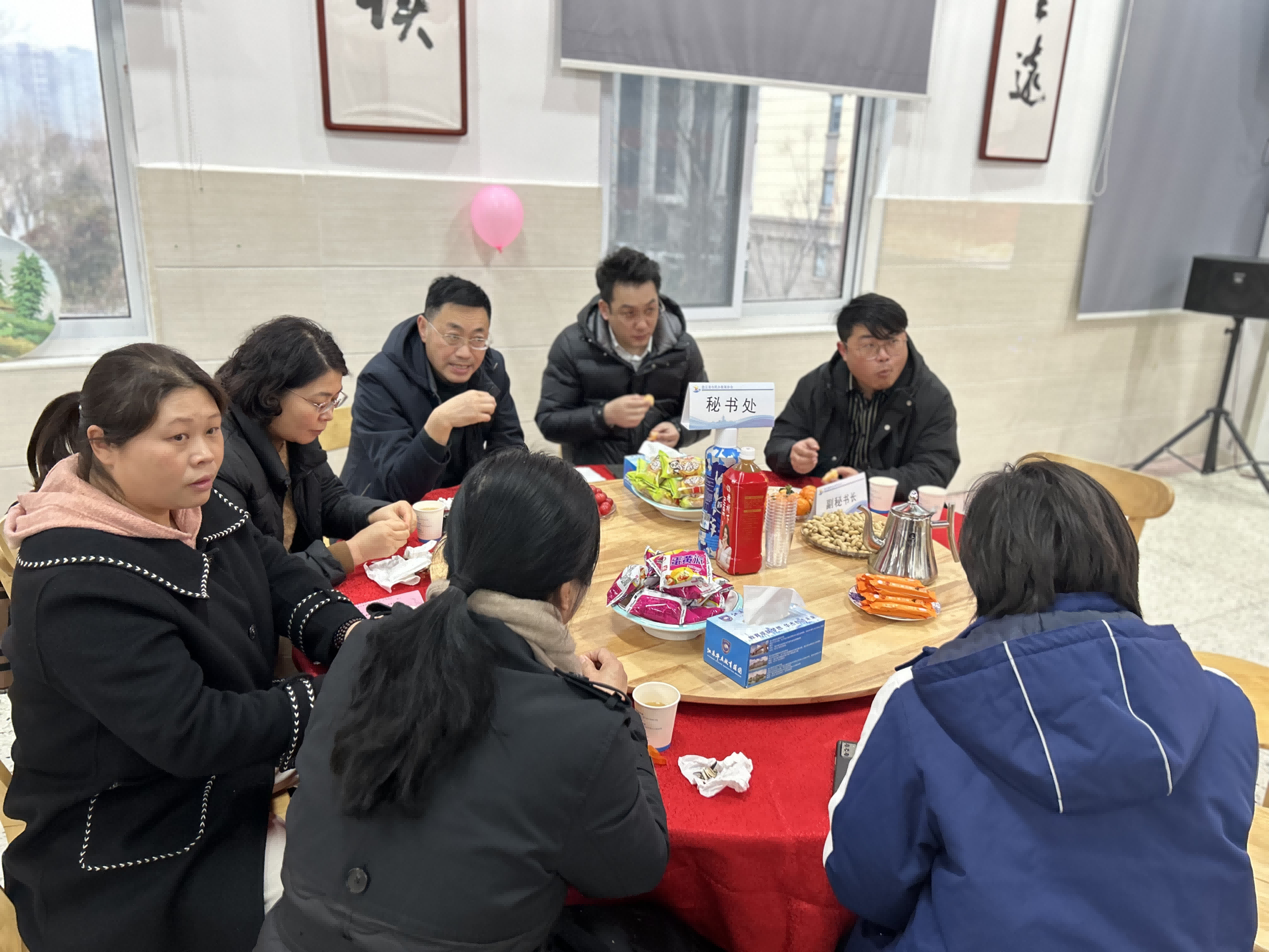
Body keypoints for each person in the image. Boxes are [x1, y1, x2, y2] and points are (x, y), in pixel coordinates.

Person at [1, 344, 367, 952]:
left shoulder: (194, 500)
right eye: (178, 437)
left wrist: (352, 635)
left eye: (213, 430)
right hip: (137, 838)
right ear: (103, 444)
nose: (205, 454)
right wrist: (346, 688)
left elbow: (277, 574)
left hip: (230, 778)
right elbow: (194, 731)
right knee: (350, 902)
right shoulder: (75, 579)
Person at [823, 459, 1257, 952]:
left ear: (979, 568)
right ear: (1120, 553)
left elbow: (863, 882)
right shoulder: (1226, 701)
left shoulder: (924, 700)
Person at [255, 452, 670, 952]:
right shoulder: (581, 724)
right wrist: (615, 706)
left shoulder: (366, 645)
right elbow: (633, 870)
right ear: (567, 595)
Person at [215, 316, 414, 586]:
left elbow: (328, 498)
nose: (329, 414)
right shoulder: (221, 459)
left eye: (335, 400)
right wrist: (353, 552)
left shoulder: (294, 430)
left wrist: (373, 513)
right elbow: (251, 575)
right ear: (270, 395)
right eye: (320, 403)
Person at [341, 276, 525, 501]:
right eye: (453, 337)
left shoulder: (491, 368)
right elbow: (401, 487)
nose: (465, 353)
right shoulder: (379, 381)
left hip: (459, 506)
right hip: (381, 510)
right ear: (423, 328)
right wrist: (440, 423)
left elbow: (510, 449)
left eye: (478, 339)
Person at [765, 293, 958, 499]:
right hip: (820, 501)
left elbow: (935, 471)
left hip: (889, 508)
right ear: (843, 350)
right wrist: (792, 455)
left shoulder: (932, 397)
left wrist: (864, 483)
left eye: (893, 342)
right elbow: (778, 442)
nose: (884, 356)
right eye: (869, 346)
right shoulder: (818, 384)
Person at [536, 247, 709, 466]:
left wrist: (679, 430)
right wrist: (604, 415)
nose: (642, 324)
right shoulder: (572, 346)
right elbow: (549, 422)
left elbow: (703, 414)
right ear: (604, 309)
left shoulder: (683, 348)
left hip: (658, 474)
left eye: (650, 310)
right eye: (629, 313)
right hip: (595, 476)